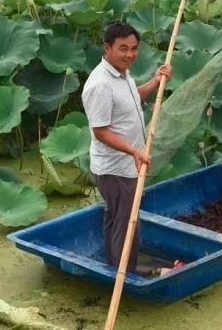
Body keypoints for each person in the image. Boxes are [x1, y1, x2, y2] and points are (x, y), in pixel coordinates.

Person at [81, 22, 171, 275]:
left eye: (134, 48)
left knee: (115, 219)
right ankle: (125, 275)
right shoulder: (100, 84)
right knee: (128, 225)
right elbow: (100, 131)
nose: (130, 54)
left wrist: (155, 81)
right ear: (107, 48)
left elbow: (132, 99)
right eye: (123, 48)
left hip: (126, 165)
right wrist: (133, 151)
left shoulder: (122, 73)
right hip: (116, 169)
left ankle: (114, 265)